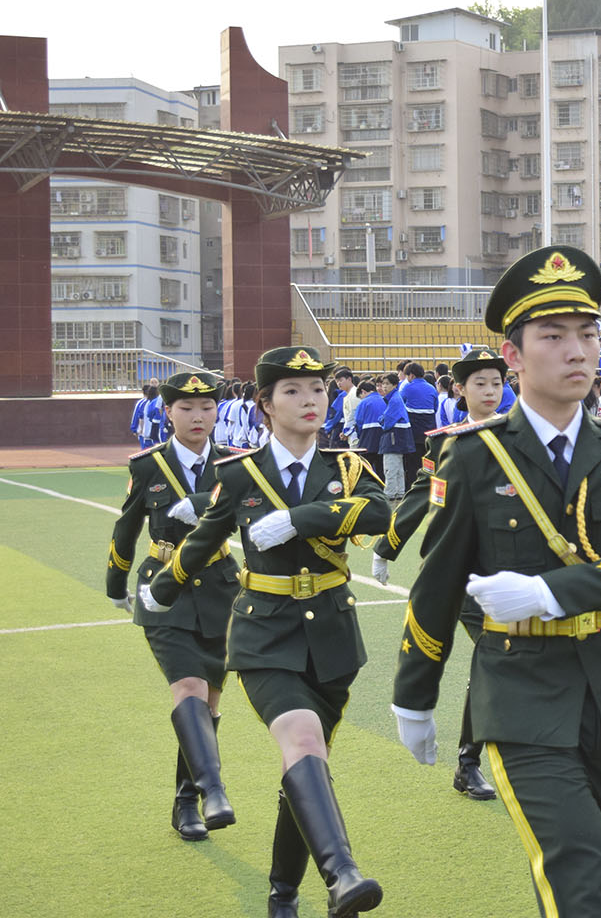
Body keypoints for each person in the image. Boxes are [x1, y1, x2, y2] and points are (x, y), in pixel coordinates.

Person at [389, 246, 601, 918]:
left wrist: (553, 593)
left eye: (588, 333)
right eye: (553, 336)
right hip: (522, 696)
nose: (577, 350)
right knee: (585, 885)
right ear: (513, 354)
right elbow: (436, 586)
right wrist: (414, 694)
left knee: (595, 867)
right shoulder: (469, 456)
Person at [145, 347, 391, 918]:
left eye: (317, 391)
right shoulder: (239, 473)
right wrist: (163, 588)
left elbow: (381, 515)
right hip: (263, 636)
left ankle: (283, 893)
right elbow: (205, 538)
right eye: (292, 392)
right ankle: (344, 873)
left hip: (332, 635)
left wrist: (303, 519)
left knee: (306, 771)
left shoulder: (347, 467)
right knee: (302, 742)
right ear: (264, 404)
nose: (309, 401)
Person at [107, 371, 243, 843]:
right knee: (187, 686)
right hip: (163, 589)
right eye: (186, 408)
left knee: (209, 700)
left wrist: (203, 499)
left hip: (221, 589)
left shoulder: (234, 463)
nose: (198, 416)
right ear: (168, 412)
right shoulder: (149, 465)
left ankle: (186, 799)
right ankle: (211, 790)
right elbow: (126, 528)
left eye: (207, 407)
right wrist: (113, 584)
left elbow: (252, 513)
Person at [373, 348, 512, 802]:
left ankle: (476, 758)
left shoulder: (519, 434)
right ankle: (470, 762)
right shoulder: (445, 441)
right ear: (459, 390)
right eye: (480, 384)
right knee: (493, 652)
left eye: (496, 383)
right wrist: (386, 546)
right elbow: (420, 495)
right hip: (460, 569)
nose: (490, 392)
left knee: (499, 655)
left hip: (504, 568)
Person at [375, 373, 413, 498]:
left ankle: (390, 492)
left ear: (395, 385)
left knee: (390, 465)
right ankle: (399, 491)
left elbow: (387, 423)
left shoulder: (395, 400)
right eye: (383, 384)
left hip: (394, 436)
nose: (384, 387)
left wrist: (381, 420)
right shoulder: (394, 398)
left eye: (387, 384)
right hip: (399, 436)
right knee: (397, 466)